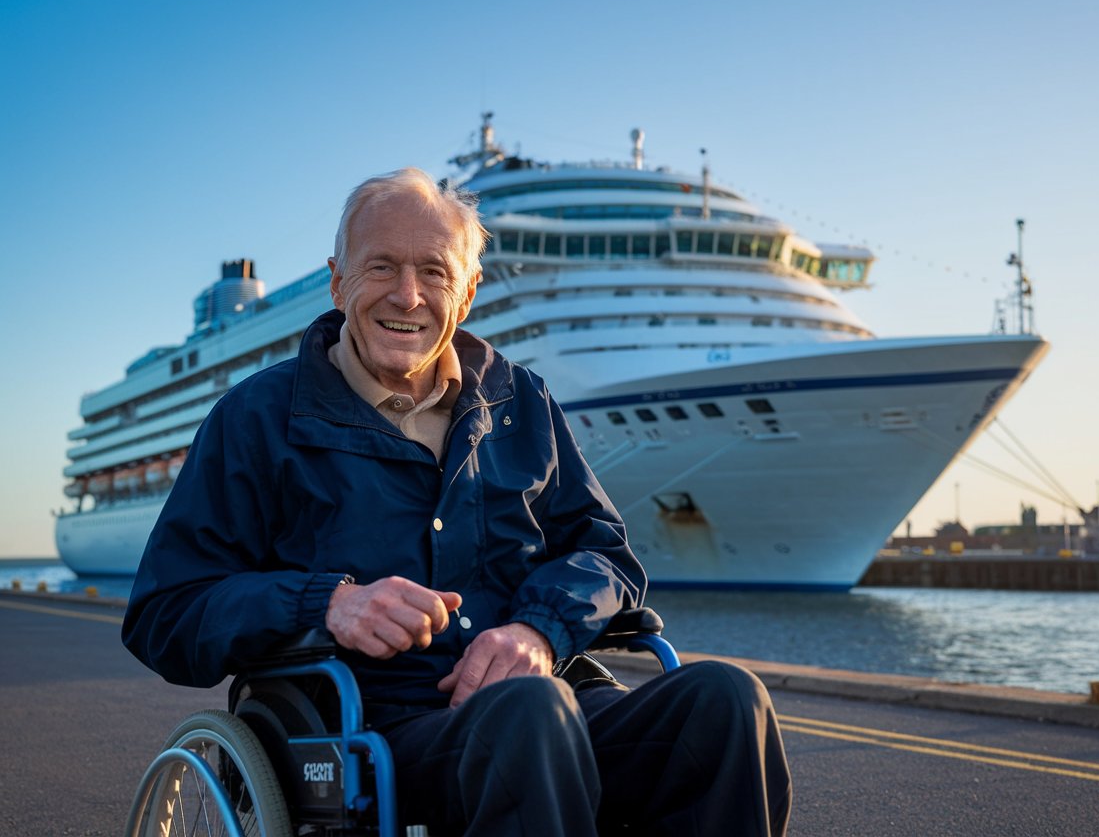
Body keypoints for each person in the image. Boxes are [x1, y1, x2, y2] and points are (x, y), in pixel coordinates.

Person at [123, 167, 791, 836]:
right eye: (381, 267)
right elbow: (165, 613)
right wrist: (329, 602)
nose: (407, 296)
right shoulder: (258, 418)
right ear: (339, 282)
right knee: (529, 715)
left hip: (549, 704)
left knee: (727, 700)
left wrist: (538, 628)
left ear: (468, 291)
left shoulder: (521, 403)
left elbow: (605, 554)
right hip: (373, 732)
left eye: (434, 273)